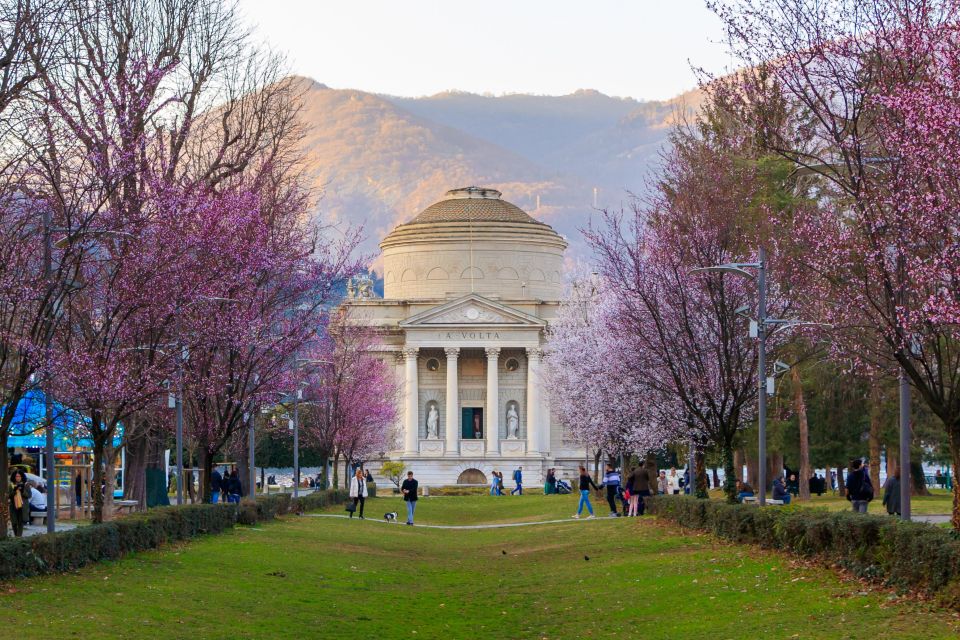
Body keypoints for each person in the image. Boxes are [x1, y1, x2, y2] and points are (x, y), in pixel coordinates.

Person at [8, 470, 31, 537]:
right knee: (14, 522)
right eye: (16, 476)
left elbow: (29, 495)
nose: (17, 478)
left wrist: (22, 491)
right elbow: (9, 496)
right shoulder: (11, 485)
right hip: (13, 506)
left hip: (22, 506)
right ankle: (16, 535)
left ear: (22, 477)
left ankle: (18, 537)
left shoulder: (26, 484)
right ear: (14, 477)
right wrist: (14, 491)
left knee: (20, 522)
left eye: (19, 476)